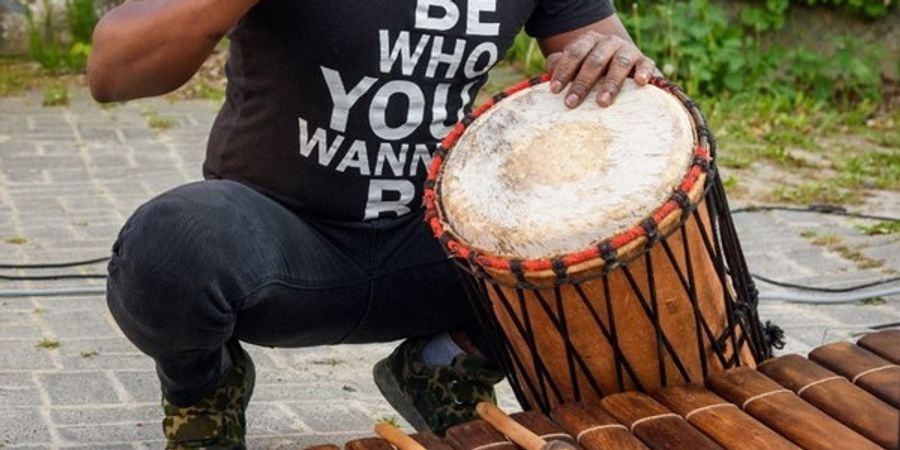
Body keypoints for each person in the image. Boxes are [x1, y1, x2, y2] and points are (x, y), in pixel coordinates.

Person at [87, 0, 655, 448]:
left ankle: (446, 365)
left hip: (432, 246)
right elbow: (110, 72)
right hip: (280, 245)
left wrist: (616, 62)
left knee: (618, 232)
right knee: (171, 245)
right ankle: (204, 391)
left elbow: (614, 79)